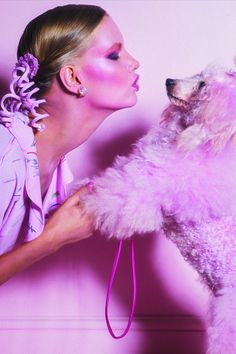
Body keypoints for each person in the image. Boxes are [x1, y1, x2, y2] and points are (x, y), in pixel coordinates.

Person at [0, 4, 139, 284]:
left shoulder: (50, 164)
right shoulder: (5, 157)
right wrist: (53, 237)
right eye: (114, 54)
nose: (134, 62)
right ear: (73, 78)